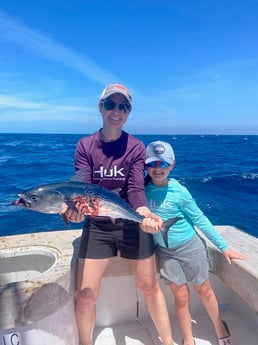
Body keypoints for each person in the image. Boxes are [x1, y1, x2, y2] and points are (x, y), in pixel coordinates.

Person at [65, 85, 174, 345]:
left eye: (123, 106)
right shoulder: (85, 146)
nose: (117, 111)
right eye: (111, 105)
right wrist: (76, 211)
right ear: (100, 107)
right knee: (86, 294)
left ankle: (169, 342)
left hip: (131, 223)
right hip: (98, 227)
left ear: (129, 112)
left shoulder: (136, 146)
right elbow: (83, 187)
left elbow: (136, 188)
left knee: (149, 287)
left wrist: (143, 211)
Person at [144, 140, 247, 345]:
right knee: (180, 297)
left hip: (190, 247)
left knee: (203, 289)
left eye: (163, 164)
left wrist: (224, 247)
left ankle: (220, 327)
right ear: (145, 165)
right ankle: (188, 338)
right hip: (165, 253)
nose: (157, 169)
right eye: (152, 163)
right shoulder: (140, 190)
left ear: (172, 165)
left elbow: (199, 219)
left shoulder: (179, 192)